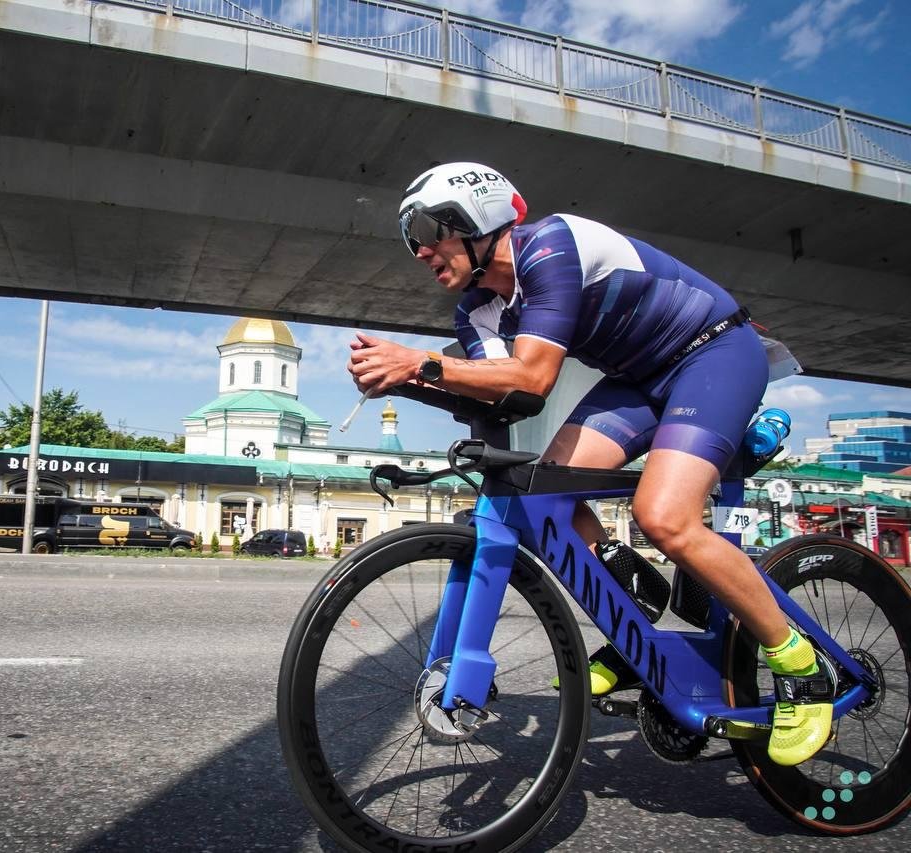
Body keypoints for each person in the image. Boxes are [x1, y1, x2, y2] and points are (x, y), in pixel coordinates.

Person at [347, 162, 829, 766]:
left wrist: (419, 363)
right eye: (408, 241)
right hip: (640, 380)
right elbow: (503, 393)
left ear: (473, 221)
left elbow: (535, 376)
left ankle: (802, 666)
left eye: (423, 231)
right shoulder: (475, 312)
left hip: (713, 353)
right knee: (542, 493)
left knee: (664, 516)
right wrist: (405, 383)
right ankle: (635, 595)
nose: (418, 251)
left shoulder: (549, 246)